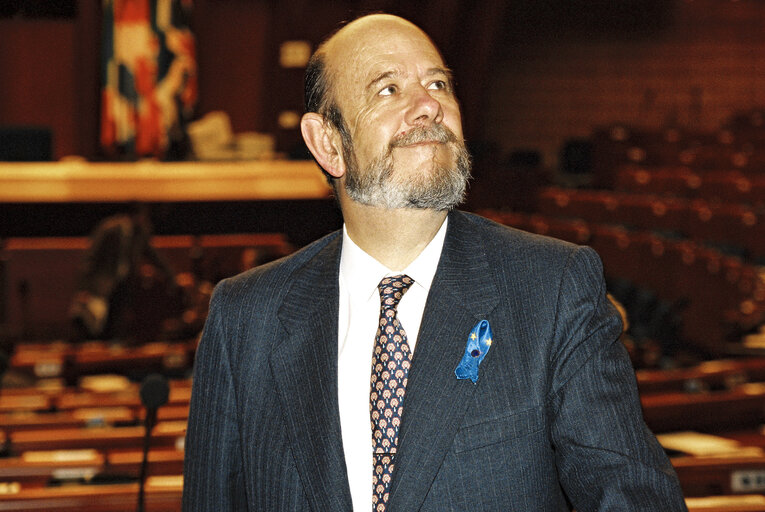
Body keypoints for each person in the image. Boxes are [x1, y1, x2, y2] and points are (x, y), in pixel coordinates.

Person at [183, 14, 687, 511]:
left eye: (439, 84)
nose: (428, 106)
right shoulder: (245, 318)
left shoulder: (551, 289)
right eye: (388, 89)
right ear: (328, 143)